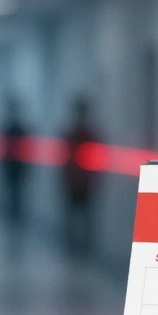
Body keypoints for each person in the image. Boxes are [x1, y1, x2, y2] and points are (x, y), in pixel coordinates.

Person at [61, 97, 99, 256]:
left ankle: (82, 248)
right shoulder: (74, 135)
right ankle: (75, 247)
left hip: (84, 183)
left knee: (84, 217)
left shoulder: (86, 135)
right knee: (76, 216)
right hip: (75, 182)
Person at [0, 98, 29, 229]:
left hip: (16, 167)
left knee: (16, 191)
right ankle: (13, 213)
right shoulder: (11, 130)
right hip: (12, 167)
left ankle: (15, 213)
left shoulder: (17, 131)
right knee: (12, 191)